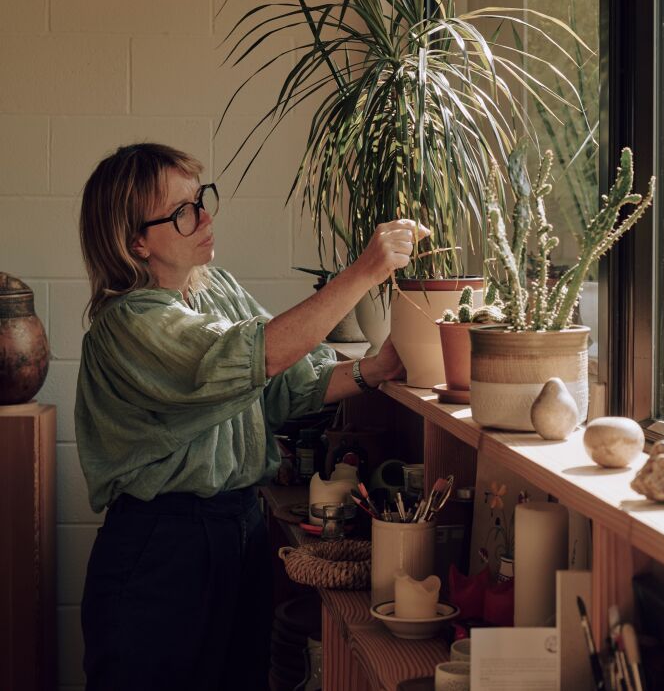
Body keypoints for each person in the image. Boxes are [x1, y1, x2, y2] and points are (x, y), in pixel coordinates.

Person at [75, 142, 428, 691]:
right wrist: (364, 271)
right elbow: (256, 355)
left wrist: (374, 370)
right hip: (161, 549)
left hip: (239, 526)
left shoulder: (217, 290)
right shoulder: (127, 325)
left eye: (201, 199)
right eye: (183, 211)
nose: (205, 218)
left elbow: (285, 380)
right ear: (134, 241)